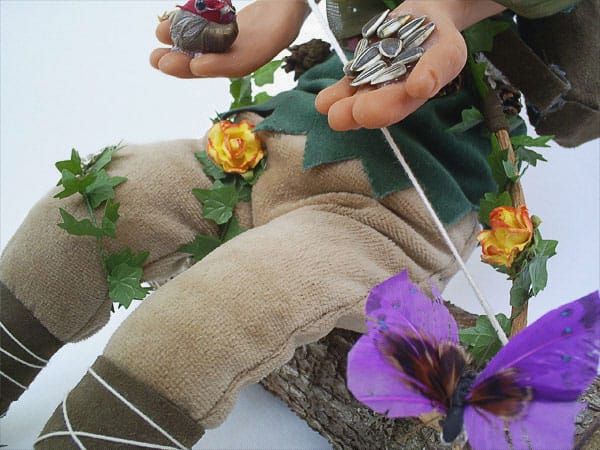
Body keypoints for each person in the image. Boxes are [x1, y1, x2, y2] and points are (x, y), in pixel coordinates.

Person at [0, 0, 592, 448]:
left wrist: (453, 8)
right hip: (266, 144)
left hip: (390, 210)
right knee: (91, 204)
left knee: (217, 310)